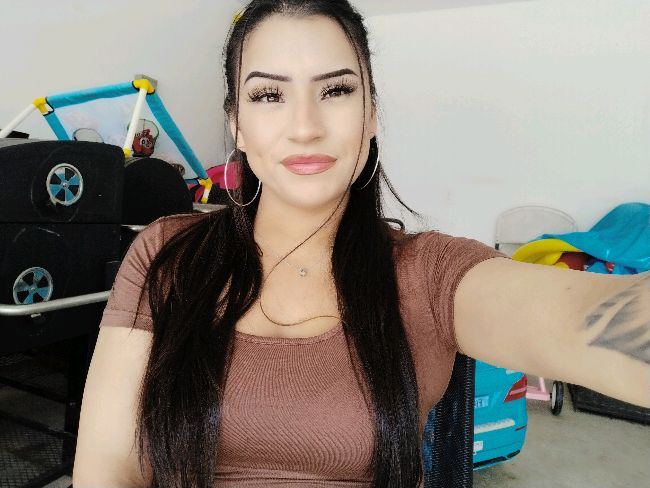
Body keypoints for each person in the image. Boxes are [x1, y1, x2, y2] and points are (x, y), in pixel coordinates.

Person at [72, 1, 650, 486]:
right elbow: (108, 469)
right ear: (237, 124)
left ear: (371, 115)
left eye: (336, 90)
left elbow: (588, 321)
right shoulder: (167, 256)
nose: (305, 126)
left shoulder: (430, 274)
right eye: (269, 95)